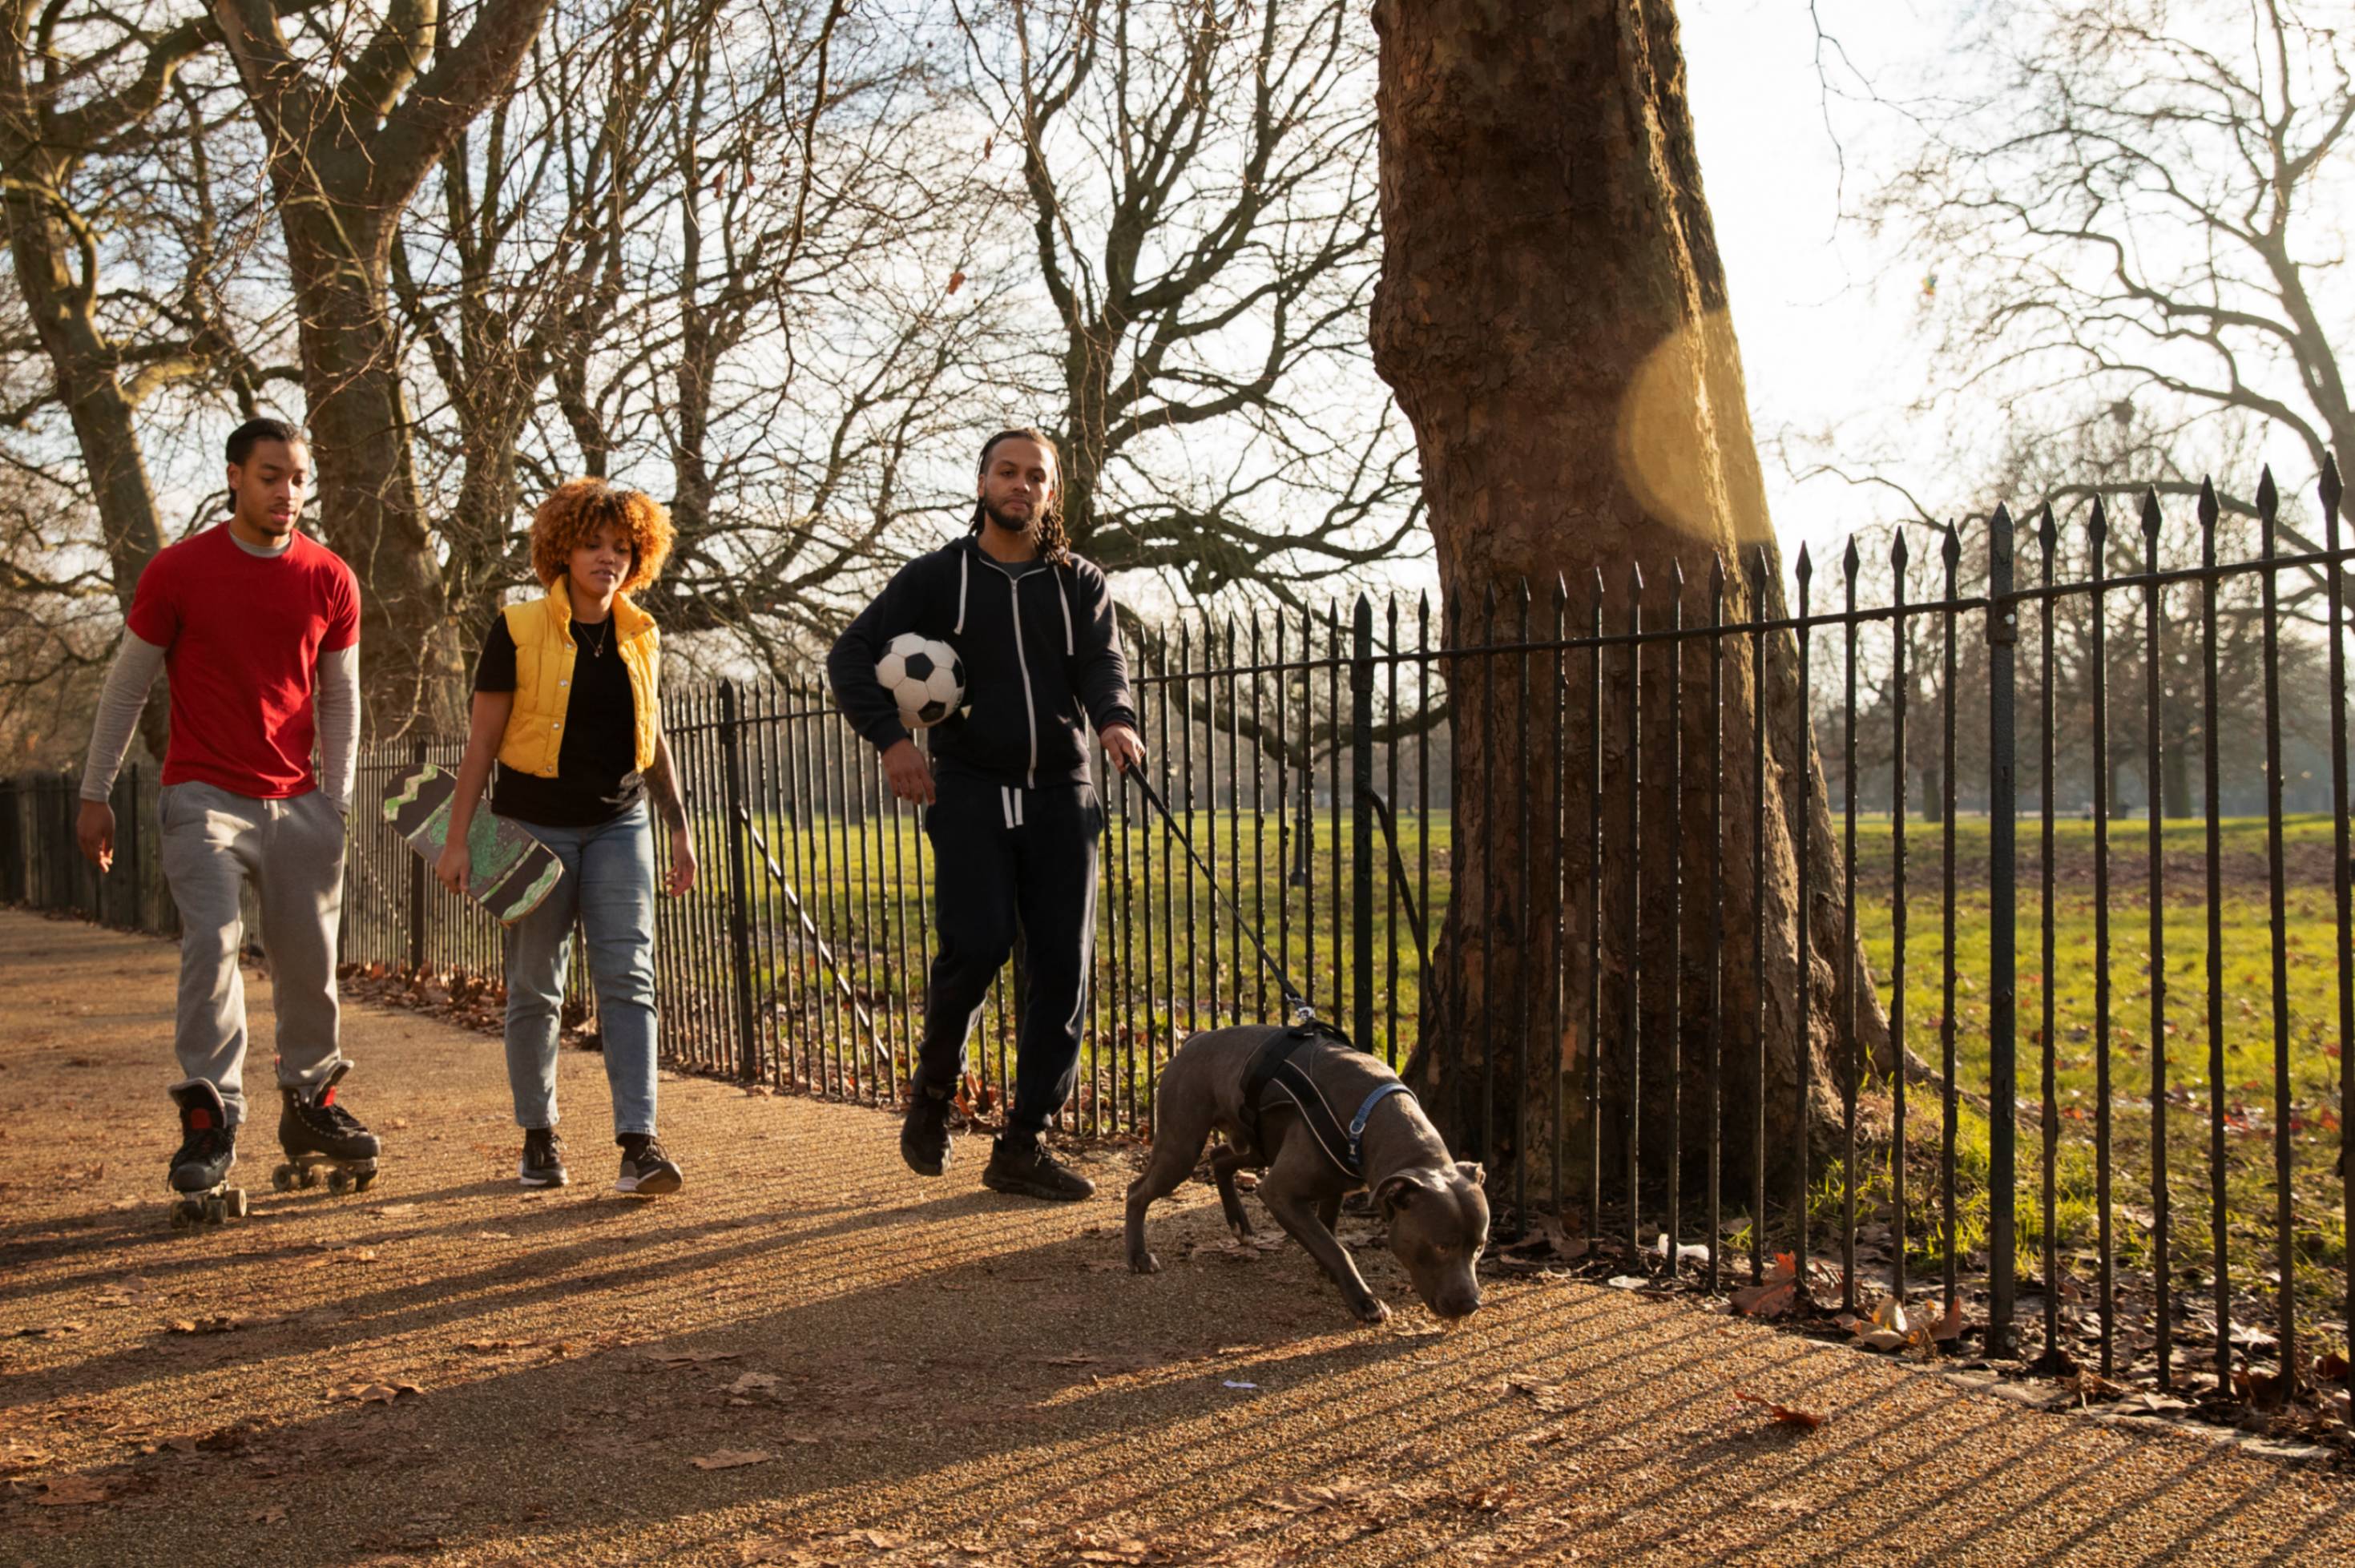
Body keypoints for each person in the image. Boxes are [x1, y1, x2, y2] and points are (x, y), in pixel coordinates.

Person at [828, 428, 1145, 1200]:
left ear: (1051, 493)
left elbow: (1102, 661)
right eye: (1007, 471)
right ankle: (933, 1093)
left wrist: (1114, 717)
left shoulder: (1078, 582)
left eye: (1036, 476)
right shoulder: (938, 577)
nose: (1021, 485)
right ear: (981, 482)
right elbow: (850, 654)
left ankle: (1023, 1144)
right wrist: (892, 742)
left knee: (1061, 971)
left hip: (1060, 792)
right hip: (968, 787)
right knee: (977, 944)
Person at [76, 417, 377, 1200]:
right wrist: (94, 792)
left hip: (298, 801)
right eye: (271, 475)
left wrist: (335, 800)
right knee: (212, 942)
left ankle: (312, 1103)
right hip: (202, 794)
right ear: (235, 476)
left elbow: (340, 698)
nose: (288, 492)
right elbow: (127, 687)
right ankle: (211, 1118)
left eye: (299, 479)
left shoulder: (329, 577)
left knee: (310, 961)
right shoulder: (179, 571)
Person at [436, 479, 697, 1195]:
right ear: (561, 549)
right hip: (532, 829)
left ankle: (638, 1142)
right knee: (535, 987)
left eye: (622, 546)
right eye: (592, 543)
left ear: (639, 554)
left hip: (620, 826)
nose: (607, 557)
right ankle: (539, 1136)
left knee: (630, 978)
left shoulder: (641, 633)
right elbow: (482, 742)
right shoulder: (516, 628)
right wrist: (458, 840)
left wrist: (678, 827)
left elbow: (652, 737)